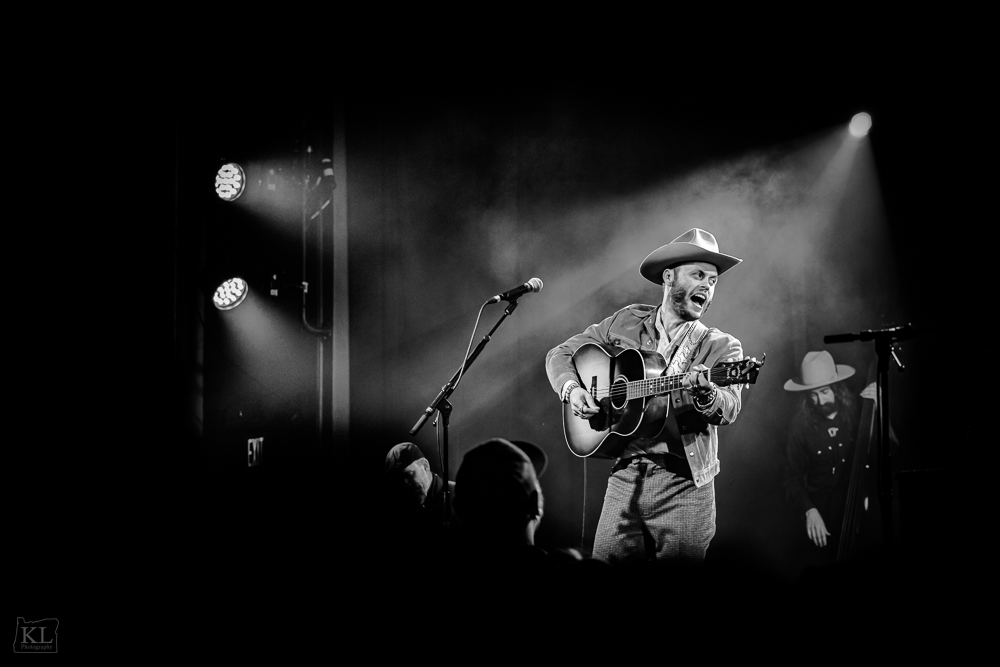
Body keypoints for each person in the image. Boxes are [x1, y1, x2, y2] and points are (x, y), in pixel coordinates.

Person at [545, 228, 748, 564]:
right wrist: (572, 389)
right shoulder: (626, 321)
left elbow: (729, 407)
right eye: (699, 275)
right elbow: (561, 353)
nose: (708, 287)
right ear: (669, 276)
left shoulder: (721, 346)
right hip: (624, 477)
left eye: (713, 281)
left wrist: (708, 393)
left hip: (684, 486)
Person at [782, 350, 877, 567]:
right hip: (822, 515)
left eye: (824, 392)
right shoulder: (800, 425)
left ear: (836, 387)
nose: (819, 401)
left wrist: (879, 410)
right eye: (812, 395)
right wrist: (809, 509)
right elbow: (791, 478)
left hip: (859, 512)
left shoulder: (857, 410)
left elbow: (890, 448)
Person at [382, 442, 457, 557]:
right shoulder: (403, 510)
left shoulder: (461, 494)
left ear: (425, 466)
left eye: (409, 475)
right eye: (399, 480)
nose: (405, 484)